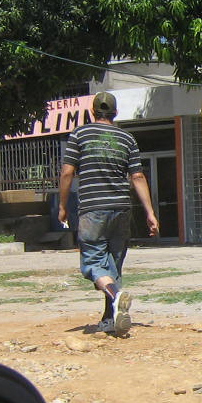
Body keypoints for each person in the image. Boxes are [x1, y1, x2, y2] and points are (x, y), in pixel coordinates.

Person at [58, 92, 159, 336]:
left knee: (93, 263)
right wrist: (150, 212)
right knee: (113, 265)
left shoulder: (80, 135)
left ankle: (115, 296)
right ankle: (110, 319)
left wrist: (62, 205)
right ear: (115, 113)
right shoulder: (126, 138)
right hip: (122, 209)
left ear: (93, 112)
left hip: (93, 208)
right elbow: (137, 176)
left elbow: (68, 172)